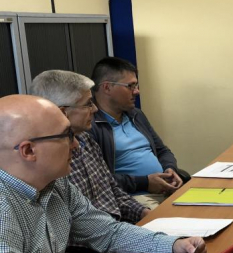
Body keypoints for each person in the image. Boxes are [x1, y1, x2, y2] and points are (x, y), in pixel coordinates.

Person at [0, 95, 209, 253]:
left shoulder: (55, 184)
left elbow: (107, 232)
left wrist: (173, 246)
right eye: (67, 136)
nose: (76, 145)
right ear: (28, 151)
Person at [29, 70, 149, 224]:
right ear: (63, 112)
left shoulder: (86, 139)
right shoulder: (47, 160)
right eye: (88, 104)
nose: (95, 109)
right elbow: (78, 226)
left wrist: (145, 213)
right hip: (99, 235)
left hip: (114, 228)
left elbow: (114, 191)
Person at [90, 57, 189, 208]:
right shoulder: (90, 126)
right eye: (130, 86)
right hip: (133, 197)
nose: (137, 91)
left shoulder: (136, 115)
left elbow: (162, 151)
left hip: (166, 188)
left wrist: (170, 169)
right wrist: (145, 182)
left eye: (136, 85)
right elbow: (97, 180)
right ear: (107, 88)